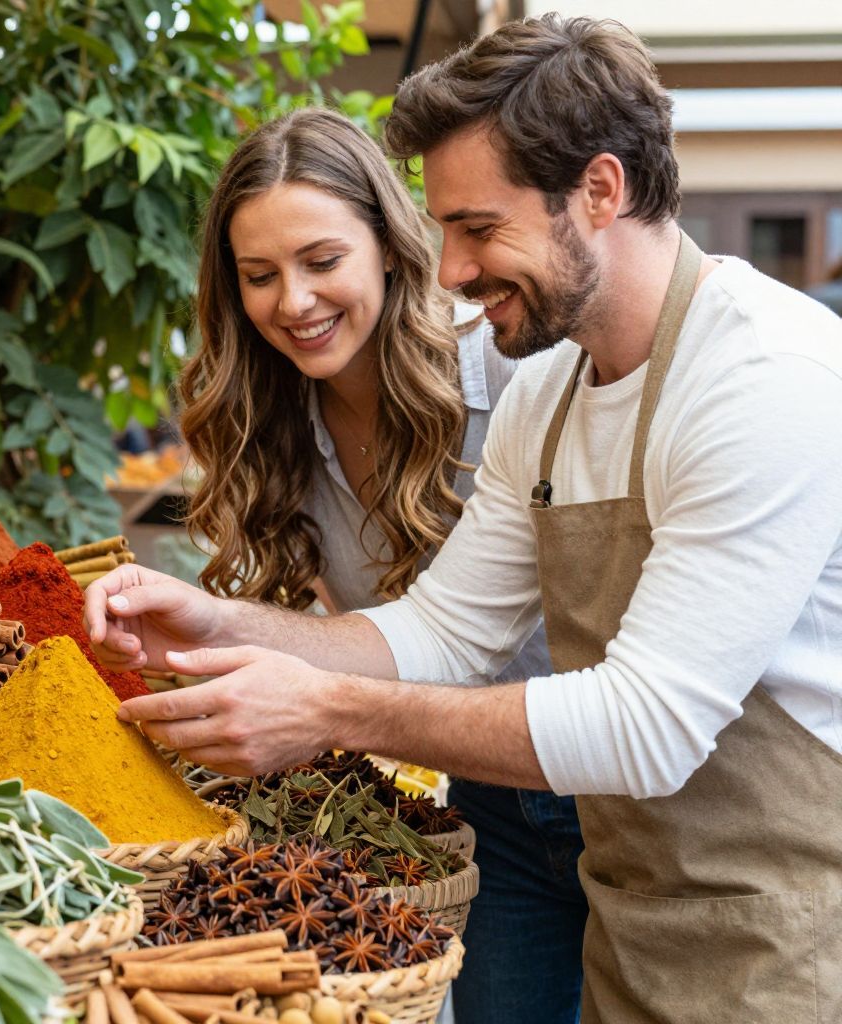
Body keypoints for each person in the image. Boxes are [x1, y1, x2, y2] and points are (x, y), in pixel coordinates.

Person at [87, 15, 842, 1020]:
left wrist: (321, 707)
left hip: (785, 927)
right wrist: (223, 625)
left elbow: (650, 723)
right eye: (443, 229)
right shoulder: (551, 389)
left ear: (602, 191)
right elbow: (444, 632)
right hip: (637, 904)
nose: (445, 272)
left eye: (479, 229)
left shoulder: (765, 376)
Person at [178, 106, 582, 1023]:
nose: (294, 301)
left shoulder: (519, 374)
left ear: (393, 249)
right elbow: (386, 641)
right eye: (259, 276)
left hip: (620, 797)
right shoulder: (275, 427)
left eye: (322, 261)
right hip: (483, 815)